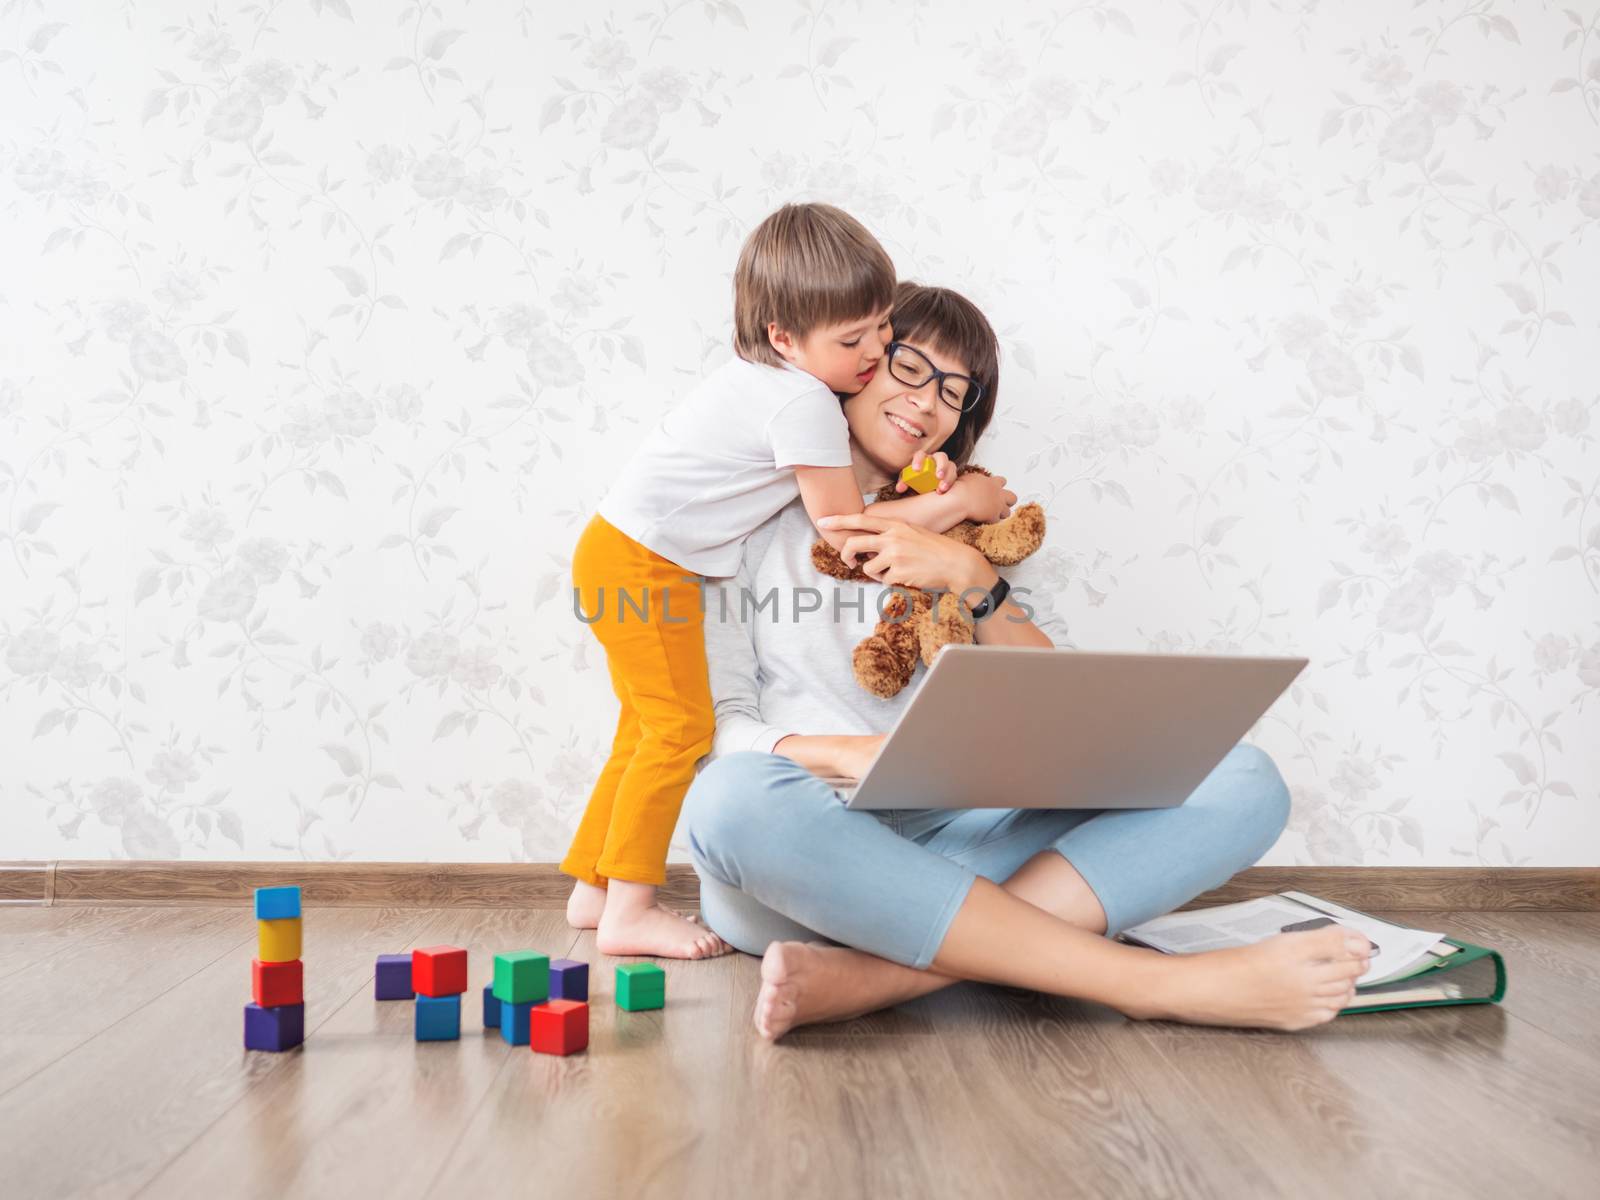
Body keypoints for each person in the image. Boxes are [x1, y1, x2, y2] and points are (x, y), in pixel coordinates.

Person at [682, 281, 1373, 1035]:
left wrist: (973, 579)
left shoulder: (971, 538)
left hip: (958, 838)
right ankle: (1149, 984)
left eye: (956, 391)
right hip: (804, 856)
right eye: (910, 367)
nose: (930, 403)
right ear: (859, 360)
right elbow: (717, 732)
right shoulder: (739, 525)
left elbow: (1052, 712)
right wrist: (861, 756)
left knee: (1245, 780)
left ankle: (875, 979)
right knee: (731, 800)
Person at [563, 205, 997, 958]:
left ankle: (593, 888)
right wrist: (959, 503)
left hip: (623, 548)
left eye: (880, 332)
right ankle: (629, 909)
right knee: (678, 730)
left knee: (643, 726)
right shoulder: (801, 406)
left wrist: (970, 558)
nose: (874, 355)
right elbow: (845, 529)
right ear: (784, 339)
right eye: (860, 345)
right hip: (645, 562)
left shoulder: (765, 385)